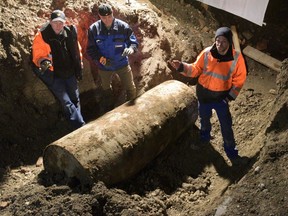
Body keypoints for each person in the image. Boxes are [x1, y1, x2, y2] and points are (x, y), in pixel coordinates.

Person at [169, 27, 247, 165]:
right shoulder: (206, 53)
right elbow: (195, 69)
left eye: (223, 41)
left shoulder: (236, 58)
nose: (219, 44)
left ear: (229, 42)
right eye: (217, 40)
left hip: (220, 99)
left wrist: (229, 97)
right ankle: (204, 138)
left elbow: (239, 80)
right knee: (204, 119)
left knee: (226, 126)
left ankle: (232, 153)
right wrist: (181, 67)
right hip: (204, 96)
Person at [32, 10, 85, 129]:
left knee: (75, 99)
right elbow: (38, 55)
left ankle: (76, 123)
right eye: (55, 22)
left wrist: (79, 64)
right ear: (50, 22)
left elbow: (77, 51)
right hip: (54, 74)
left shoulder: (69, 33)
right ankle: (80, 126)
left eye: (60, 23)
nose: (58, 26)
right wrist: (43, 61)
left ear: (64, 23)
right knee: (66, 102)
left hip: (70, 71)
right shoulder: (42, 36)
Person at [86, 3, 138, 111]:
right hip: (104, 66)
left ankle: (132, 110)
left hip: (122, 63)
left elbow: (133, 41)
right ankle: (109, 111)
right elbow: (91, 49)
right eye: (104, 17)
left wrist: (131, 49)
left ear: (112, 14)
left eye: (109, 16)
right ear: (99, 16)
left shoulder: (123, 27)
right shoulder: (93, 29)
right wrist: (100, 59)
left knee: (131, 88)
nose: (107, 20)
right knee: (106, 89)